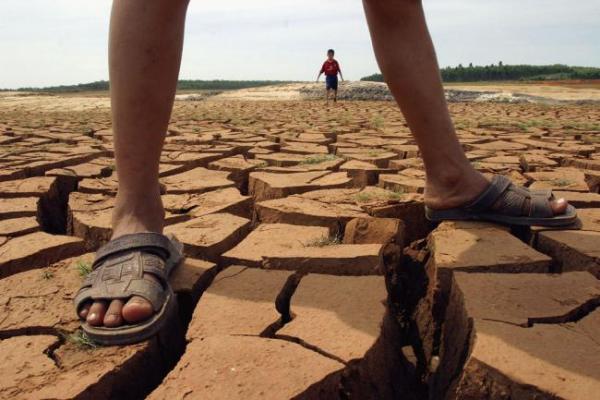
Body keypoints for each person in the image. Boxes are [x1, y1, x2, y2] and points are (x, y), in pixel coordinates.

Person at [74, 0, 576, 345]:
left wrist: (329, 77)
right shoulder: (327, 62)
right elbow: (323, 67)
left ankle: (451, 177)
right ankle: (136, 213)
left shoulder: (337, 63)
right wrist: (319, 78)